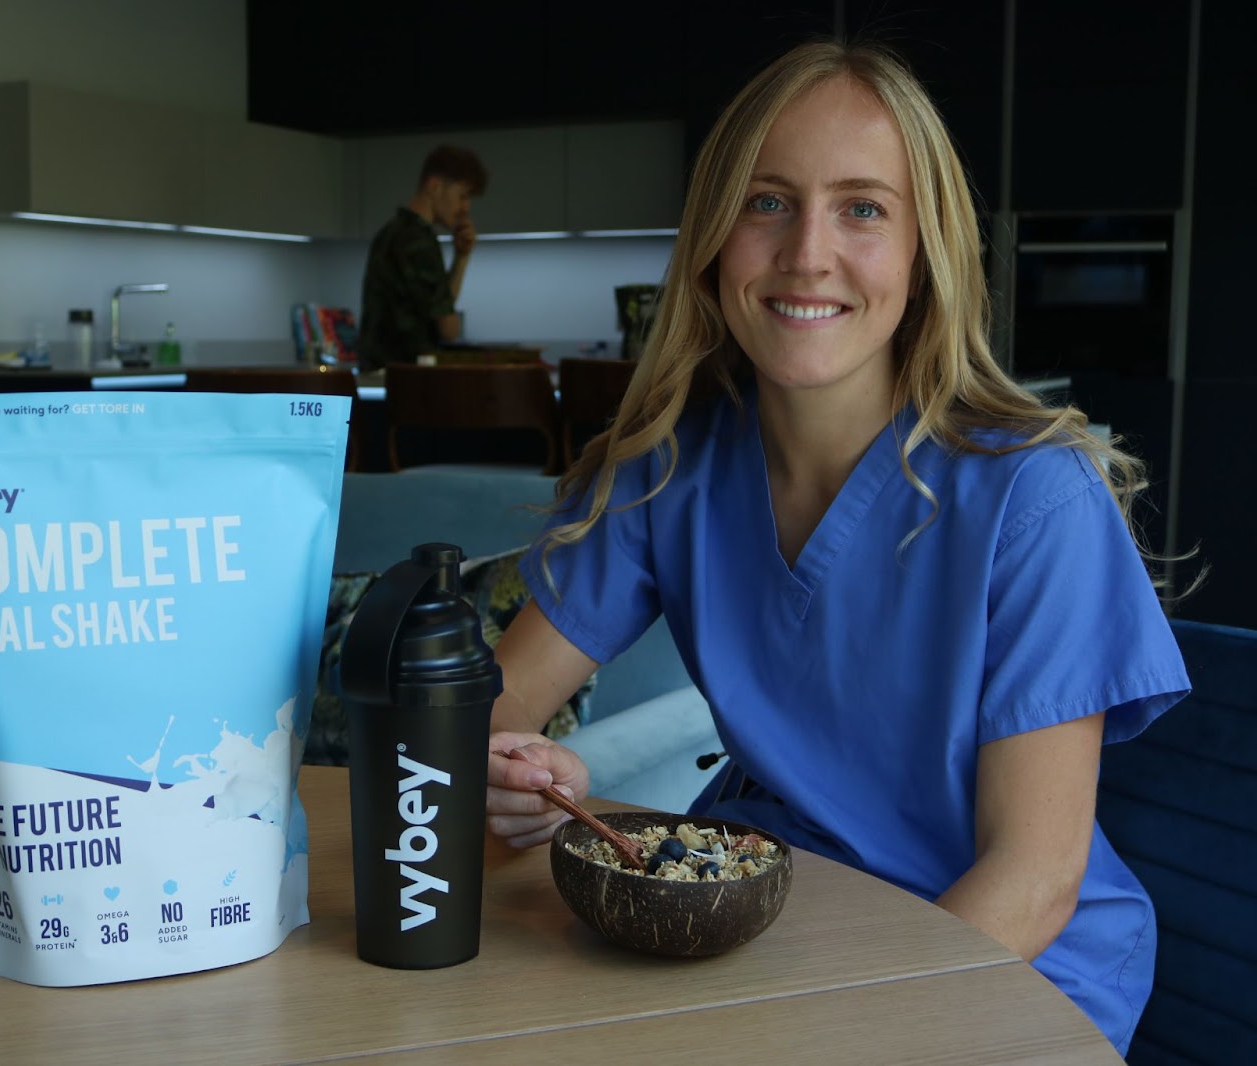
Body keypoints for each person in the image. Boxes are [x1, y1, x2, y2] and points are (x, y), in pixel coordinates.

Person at [484, 39, 1189, 1057]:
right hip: (778, 916)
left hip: (1004, 956)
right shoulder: (668, 464)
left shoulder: (1034, 494)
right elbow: (484, 714)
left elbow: (1033, 878)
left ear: (923, 249)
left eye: (862, 208)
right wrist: (510, 773)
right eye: (766, 201)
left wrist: (828, 1033)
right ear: (714, 239)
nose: (805, 251)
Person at [357, 145, 487, 371]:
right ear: (434, 186)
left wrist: (461, 258)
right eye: (462, 196)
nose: (465, 208)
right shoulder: (419, 241)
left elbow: (438, 305)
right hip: (407, 377)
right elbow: (449, 328)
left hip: (379, 372)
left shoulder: (389, 232)